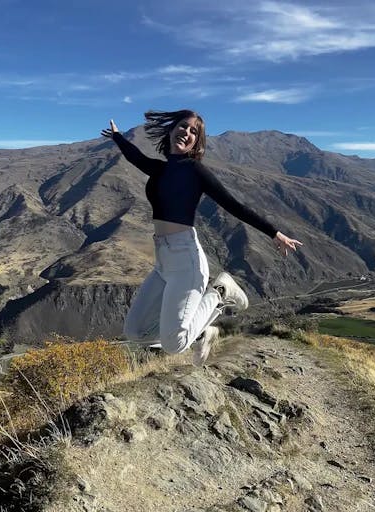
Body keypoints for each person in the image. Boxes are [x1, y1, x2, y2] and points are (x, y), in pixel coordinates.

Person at [101, 109, 302, 366]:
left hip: (187, 262)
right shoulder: (161, 170)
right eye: (183, 127)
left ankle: (220, 291)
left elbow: (233, 205)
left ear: (197, 142)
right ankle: (201, 333)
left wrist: (274, 233)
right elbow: (135, 157)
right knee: (134, 332)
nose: (187, 132)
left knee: (174, 345)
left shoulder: (196, 171)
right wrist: (118, 137)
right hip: (163, 262)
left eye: (194, 131)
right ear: (172, 130)